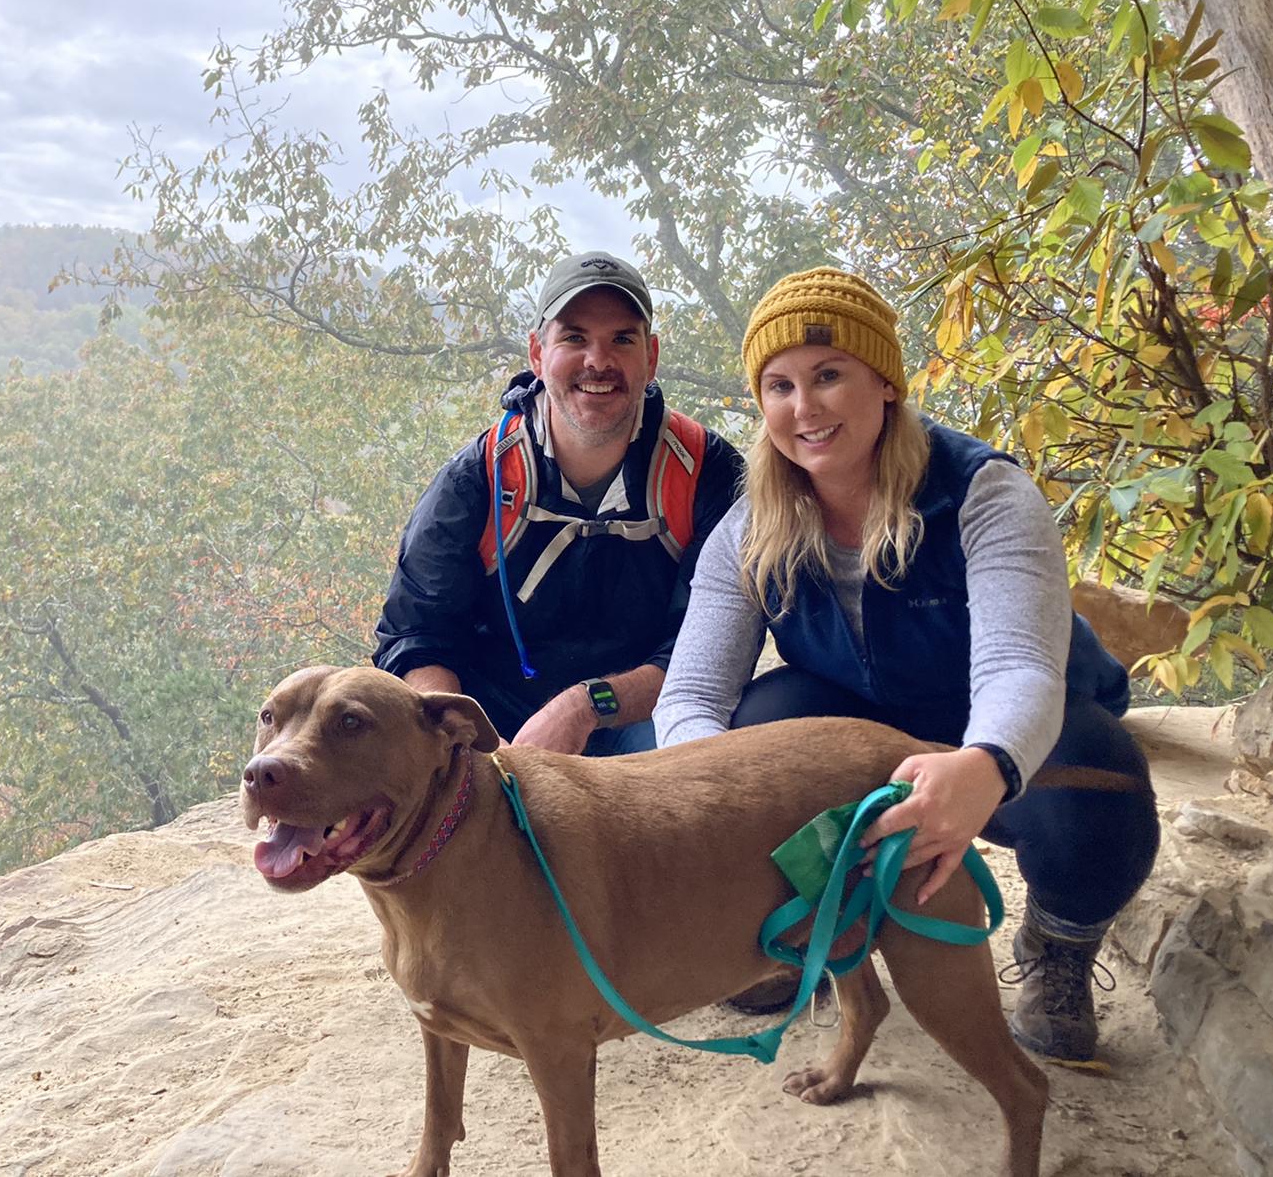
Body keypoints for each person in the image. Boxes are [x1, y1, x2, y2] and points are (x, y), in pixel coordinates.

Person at [653, 267, 1160, 1063]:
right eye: (780, 386)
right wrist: (717, 803)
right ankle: (807, 926)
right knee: (759, 726)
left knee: (1100, 782)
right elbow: (690, 696)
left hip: (1017, 720)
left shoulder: (983, 492)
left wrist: (985, 765)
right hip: (872, 725)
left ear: (885, 382)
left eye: (829, 375)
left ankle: (1058, 942)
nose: (804, 407)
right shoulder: (749, 528)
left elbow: (1021, 667)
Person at [373, 251, 745, 756]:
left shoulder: (705, 472)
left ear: (651, 357)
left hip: (641, 720)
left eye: (622, 339)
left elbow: (707, 653)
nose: (598, 361)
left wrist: (585, 706)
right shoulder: (479, 478)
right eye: (574, 338)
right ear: (537, 352)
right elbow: (415, 634)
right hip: (493, 722)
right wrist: (474, 748)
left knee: (718, 735)